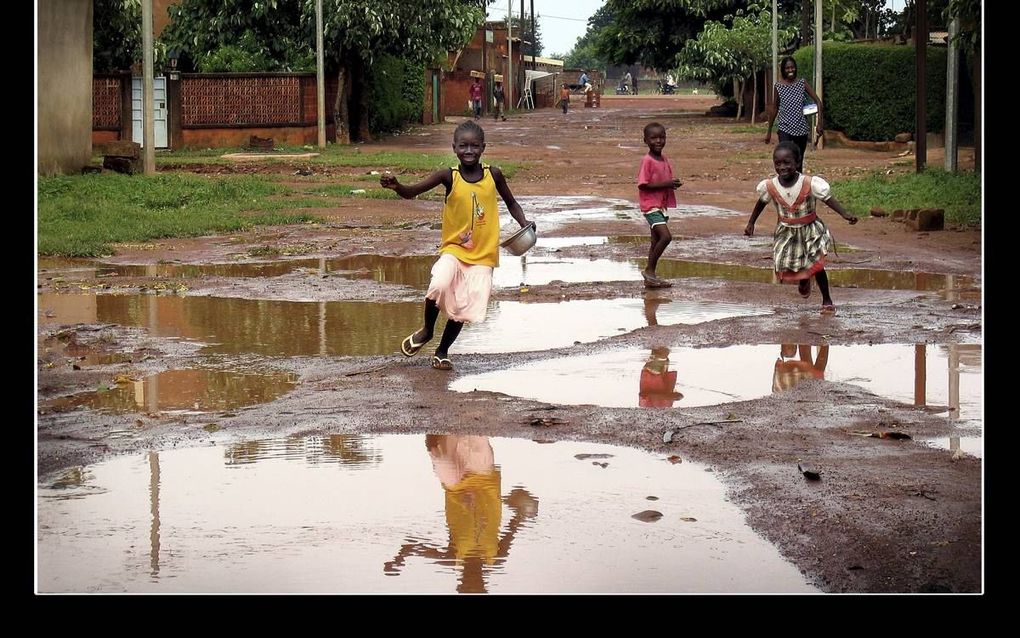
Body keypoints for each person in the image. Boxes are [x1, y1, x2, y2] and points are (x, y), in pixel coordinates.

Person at [381, 120, 532, 370]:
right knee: (438, 283)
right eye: (463, 146)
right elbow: (412, 192)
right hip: (454, 249)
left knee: (463, 305)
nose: (469, 151)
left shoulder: (493, 174)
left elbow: (512, 203)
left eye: (474, 146)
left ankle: (442, 351)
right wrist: (397, 186)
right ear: (454, 148)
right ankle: (427, 330)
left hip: (483, 255)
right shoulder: (448, 176)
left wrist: (524, 223)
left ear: (483, 147)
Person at [382, 435, 539, 594]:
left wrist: (399, 559)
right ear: (483, 583)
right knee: (472, 435)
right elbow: (515, 523)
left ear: (460, 583)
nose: (471, 577)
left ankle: (431, 427)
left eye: (467, 583)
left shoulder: (453, 557)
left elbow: (412, 546)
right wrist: (521, 508)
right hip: (484, 478)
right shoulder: (496, 557)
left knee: (441, 454)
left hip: (457, 488)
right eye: (476, 583)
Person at [744, 141, 858, 315]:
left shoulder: (810, 183)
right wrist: (751, 222)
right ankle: (804, 278)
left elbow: (828, 199)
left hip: (810, 230)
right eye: (778, 163)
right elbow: (760, 203)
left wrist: (844, 214)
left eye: (787, 163)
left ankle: (826, 299)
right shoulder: (770, 186)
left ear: (797, 163)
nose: (782, 167)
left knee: (817, 265)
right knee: (785, 264)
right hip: (786, 232)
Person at [636, 121, 682, 288]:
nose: (658, 141)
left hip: (660, 206)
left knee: (655, 242)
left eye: (662, 137)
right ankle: (649, 270)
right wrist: (667, 184)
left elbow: (664, 180)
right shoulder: (647, 160)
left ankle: (651, 277)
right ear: (645, 141)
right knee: (666, 237)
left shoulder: (664, 159)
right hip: (650, 207)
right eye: (653, 138)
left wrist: (671, 184)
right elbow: (643, 184)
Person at [765, 56, 824, 172]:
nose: (790, 70)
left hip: (801, 128)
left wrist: (819, 123)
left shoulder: (802, 83)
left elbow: (818, 102)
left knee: (798, 161)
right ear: (783, 70)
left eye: (792, 67)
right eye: (787, 68)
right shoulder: (778, 86)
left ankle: (798, 186)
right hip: (784, 128)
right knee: (784, 157)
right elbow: (775, 108)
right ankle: (784, 184)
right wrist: (769, 132)